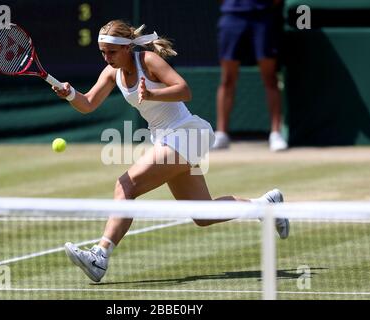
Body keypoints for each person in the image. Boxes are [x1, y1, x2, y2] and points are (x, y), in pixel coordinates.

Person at [52, 20, 289, 283]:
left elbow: (185, 91)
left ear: (128, 47)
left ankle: (100, 256)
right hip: (167, 139)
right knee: (203, 215)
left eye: (112, 52)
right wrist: (70, 93)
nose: (107, 58)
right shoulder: (112, 73)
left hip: (187, 133)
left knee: (125, 187)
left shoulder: (149, 60)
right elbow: (88, 104)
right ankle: (266, 207)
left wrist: (152, 95)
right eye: (103, 52)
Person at [213, 0, 288, 151]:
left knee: (270, 78)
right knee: (227, 79)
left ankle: (275, 134)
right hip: (232, 17)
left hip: (263, 18)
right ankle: (221, 134)